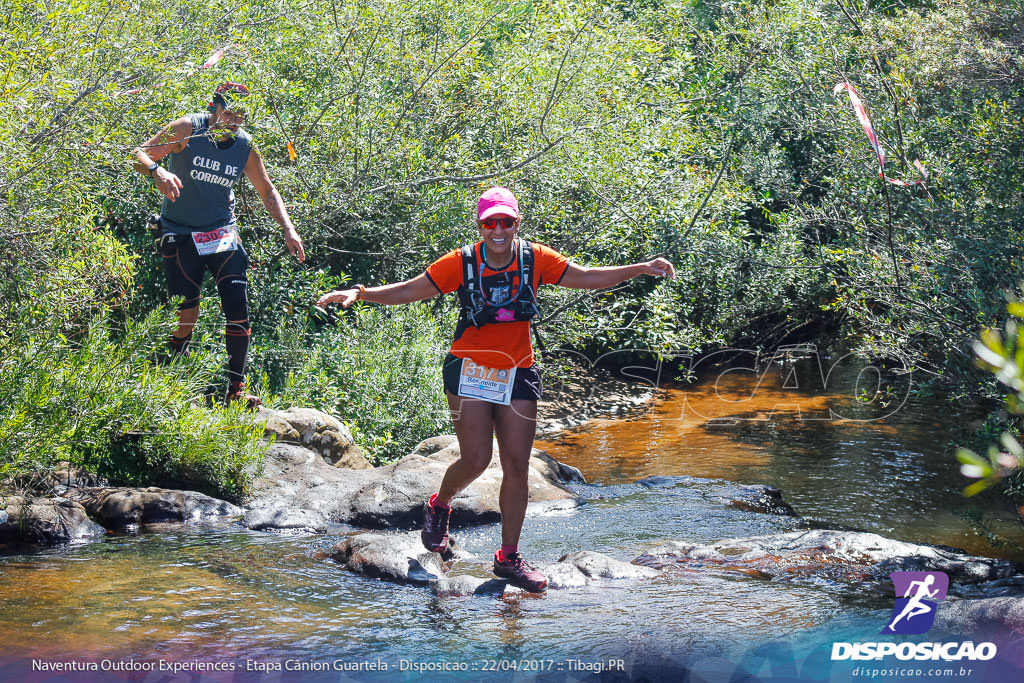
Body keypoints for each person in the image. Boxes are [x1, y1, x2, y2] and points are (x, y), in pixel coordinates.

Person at [316, 186, 675, 591]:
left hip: (518, 370)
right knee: (475, 459)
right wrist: (360, 293)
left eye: (507, 221)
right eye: (491, 223)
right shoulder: (462, 263)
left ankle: (508, 558)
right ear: (480, 225)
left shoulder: (535, 258)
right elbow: (411, 289)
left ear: (517, 223)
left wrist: (640, 268)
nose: (499, 229)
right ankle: (439, 506)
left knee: (518, 465)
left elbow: (587, 277)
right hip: (468, 369)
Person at [133, 82, 305, 406]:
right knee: (186, 317)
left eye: (240, 116)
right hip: (181, 233)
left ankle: (235, 392)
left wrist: (288, 228)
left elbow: (267, 191)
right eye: (228, 113)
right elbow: (137, 155)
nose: (234, 122)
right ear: (214, 107)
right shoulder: (187, 128)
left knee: (238, 308)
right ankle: (168, 382)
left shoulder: (245, 147)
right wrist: (157, 171)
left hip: (221, 233)